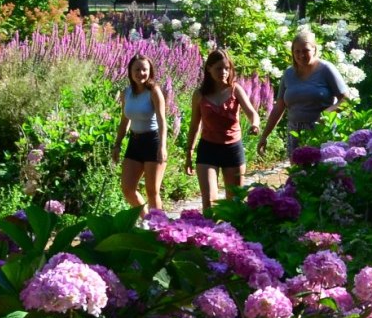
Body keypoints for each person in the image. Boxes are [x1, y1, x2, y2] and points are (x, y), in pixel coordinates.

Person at [182, 49, 263, 213]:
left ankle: (231, 235)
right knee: (209, 203)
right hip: (208, 149)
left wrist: (255, 124)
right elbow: (194, 125)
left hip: (232, 149)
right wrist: (189, 152)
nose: (224, 72)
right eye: (219, 68)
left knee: (234, 202)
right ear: (209, 69)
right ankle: (208, 236)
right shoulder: (199, 95)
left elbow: (252, 113)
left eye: (227, 68)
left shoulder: (236, 90)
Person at [258, 27, 353, 158]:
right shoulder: (288, 74)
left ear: (314, 49)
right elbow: (279, 107)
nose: (301, 55)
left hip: (321, 131)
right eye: (297, 51)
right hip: (295, 132)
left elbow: (346, 100)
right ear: (292, 52)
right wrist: (264, 136)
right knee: (298, 174)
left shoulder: (326, 69)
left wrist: (327, 114)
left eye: (306, 50)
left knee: (322, 173)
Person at [113, 54, 169, 210]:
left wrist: (162, 146)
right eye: (137, 69)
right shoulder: (126, 93)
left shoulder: (154, 91)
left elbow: (162, 120)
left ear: (150, 71)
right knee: (128, 189)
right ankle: (146, 219)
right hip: (135, 142)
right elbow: (125, 120)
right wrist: (117, 144)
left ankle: (158, 229)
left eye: (144, 69)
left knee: (152, 192)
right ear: (130, 72)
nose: (141, 73)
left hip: (153, 142)